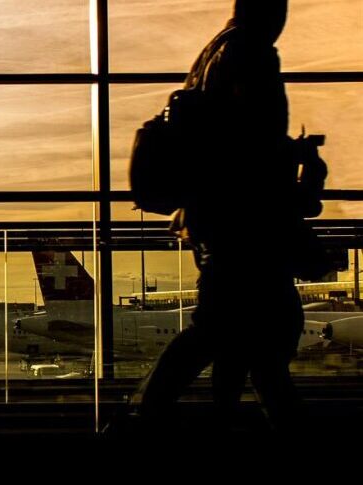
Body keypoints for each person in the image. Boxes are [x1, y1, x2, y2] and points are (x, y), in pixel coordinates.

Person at [126, 0, 322, 434]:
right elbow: (253, 146)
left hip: (213, 218)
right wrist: (298, 159)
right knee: (243, 335)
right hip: (243, 222)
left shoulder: (213, 54)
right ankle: (153, 413)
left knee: (231, 332)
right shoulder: (253, 53)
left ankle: (167, 413)